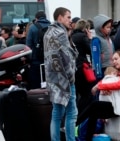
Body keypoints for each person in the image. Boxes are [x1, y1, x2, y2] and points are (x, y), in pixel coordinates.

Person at [76, 50, 120, 141]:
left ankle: (76, 123)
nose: (114, 62)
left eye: (116, 59)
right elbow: (106, 80)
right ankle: (86, 135)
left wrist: (99, 86)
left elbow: (118, 85)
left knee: (94, 106)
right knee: (94, 110)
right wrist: (102, 87)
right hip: (115, 103)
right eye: (113, 60)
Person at [43, 7, 78, 141]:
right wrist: (71, 76)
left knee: (56, 114)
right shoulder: (61, 34)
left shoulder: (48, 32)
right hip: (65, 80)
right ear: (60, 18)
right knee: (71, 113)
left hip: (53, 80)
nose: (70, 20)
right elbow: (67, 58)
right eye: (68, 17)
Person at [71, 19, 95, 114]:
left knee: (77, 94)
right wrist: (90, 39)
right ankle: (81, 114)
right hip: (82, 67)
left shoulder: (71, 36)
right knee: (88, 94)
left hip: (73, 67)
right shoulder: (83, 37)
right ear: (86, 29)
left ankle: (75, 114)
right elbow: (91, 50)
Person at [26, 10, 51, 89]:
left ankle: (38, 98)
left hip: (36, 61)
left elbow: (28, 45)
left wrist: (28, 60)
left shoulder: (32, 27)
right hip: (50, 60)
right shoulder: (52, 26)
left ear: (36, 18)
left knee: (36, 83)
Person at [93, 14, 114, 80]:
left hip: (110, 67)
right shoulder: (96, 40)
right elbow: (95, 56)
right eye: (107, 27)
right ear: (100, 28)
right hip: (102, 68)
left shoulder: (109, 39)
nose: (109, 29)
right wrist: (98, 71)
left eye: (110, 27)